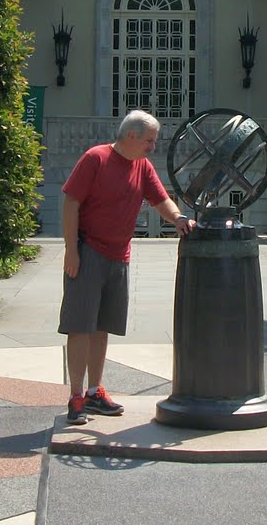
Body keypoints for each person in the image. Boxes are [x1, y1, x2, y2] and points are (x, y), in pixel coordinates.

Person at [58, 109, 191, 425]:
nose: (153, 147)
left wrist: (178, 218)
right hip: (88, 252)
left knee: (102, 326)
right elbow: (71, 203)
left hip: (119, 256)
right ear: (131, 135)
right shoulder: (96, 158)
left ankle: (94, 392)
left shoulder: (142, 166)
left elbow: (160, 200)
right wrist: (71, 251)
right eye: (149, 141)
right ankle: (75, 397)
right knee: (80, 326)